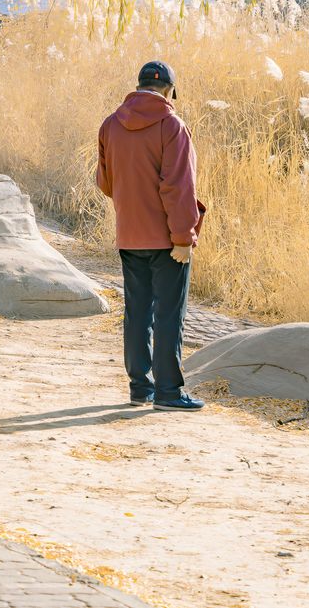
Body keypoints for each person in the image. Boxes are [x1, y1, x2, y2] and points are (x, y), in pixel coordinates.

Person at [96, 60, 206, 412]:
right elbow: (178, 187)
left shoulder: (110, 125)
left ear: (139, 85)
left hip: (129, 235)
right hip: (167, 239)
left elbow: (105, 182)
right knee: (169, 314)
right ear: (170, 90)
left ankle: (140, 388)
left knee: (137, 312)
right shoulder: (172, 126)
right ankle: (169, 393)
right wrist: (183, 238)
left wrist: (132, 205)